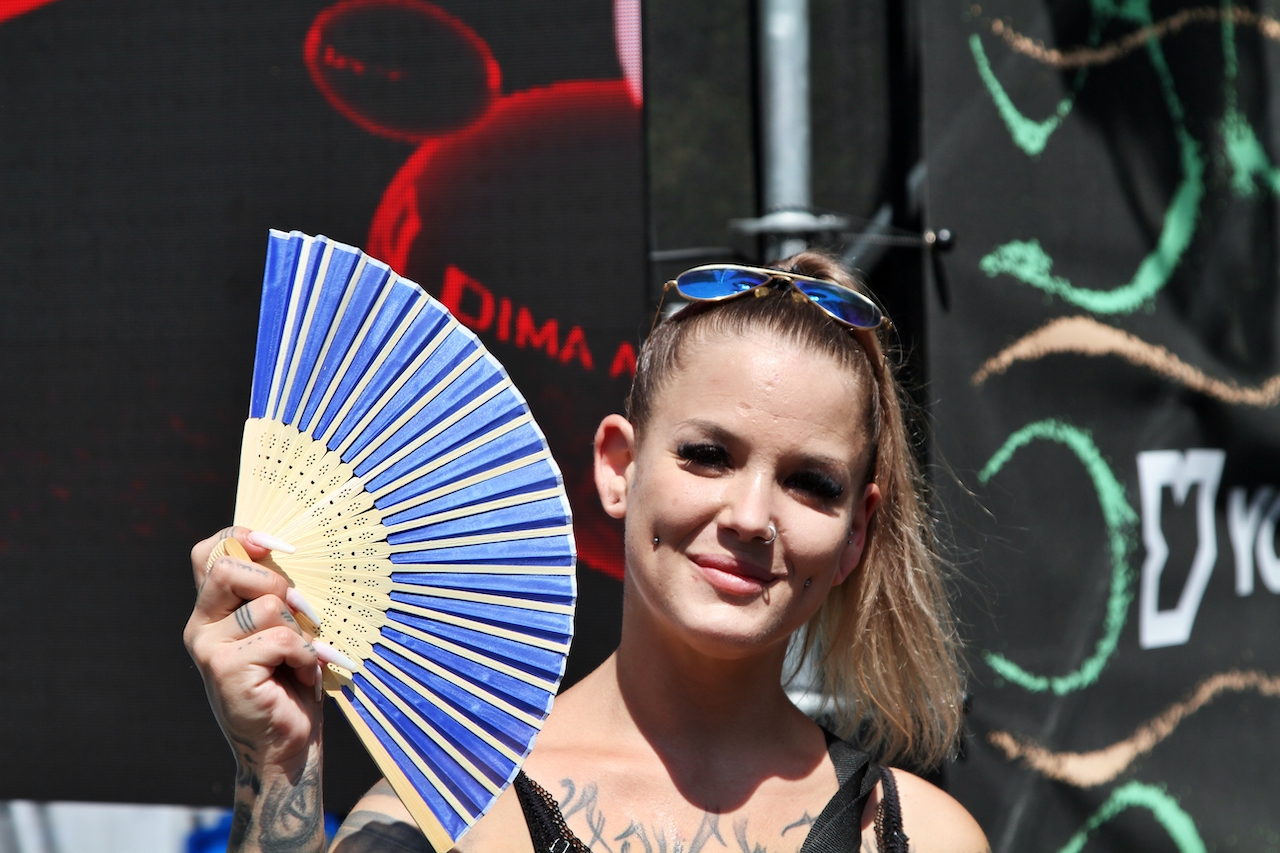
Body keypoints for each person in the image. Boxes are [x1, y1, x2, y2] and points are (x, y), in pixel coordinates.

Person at [185, 252, 989, 852]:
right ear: (617, 466)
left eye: (810, 483)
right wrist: (279, 765)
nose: (751, 517)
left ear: (856, 531)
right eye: (708, 455)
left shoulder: (925, 836)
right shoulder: (446, 819)